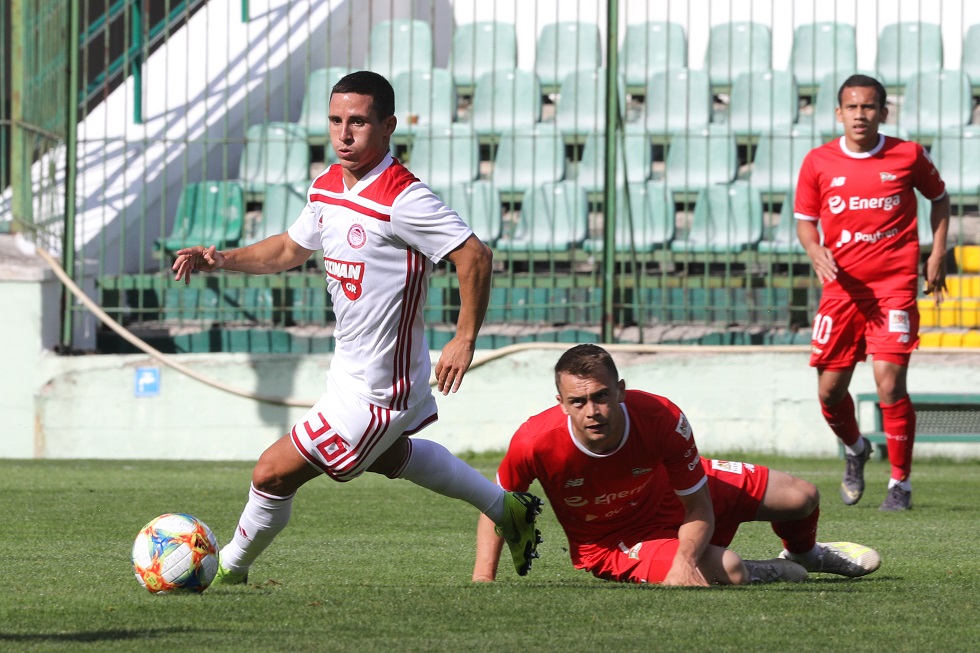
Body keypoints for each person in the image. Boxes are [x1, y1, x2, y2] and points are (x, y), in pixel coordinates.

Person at [172, 70, 543, 584]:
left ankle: (226, 571)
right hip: (346, 373)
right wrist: (222, 260)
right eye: (336, 120)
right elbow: (287, 248)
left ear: (388, 126)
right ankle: (508, 510)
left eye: (359, 123)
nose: (344, 134)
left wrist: (463, 338)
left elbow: (475, 256)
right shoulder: (326, 186)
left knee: (271, 472)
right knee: (392, 457)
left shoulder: (403, 198)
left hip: (380, 388)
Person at [473, 344, 881, 586]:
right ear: (561, 402)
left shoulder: (661, 417)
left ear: (621, 391)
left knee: (802, 497)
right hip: (612, 541)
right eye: (577, 402)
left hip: (671, 495)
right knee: (732, 569)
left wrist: (684, 561)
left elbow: (698, 504)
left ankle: (806, 554)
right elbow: (498, 505)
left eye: (600, 396)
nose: (591, 411)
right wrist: (483, 580)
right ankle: (766, 570)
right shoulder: (534, 441)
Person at [795, 74, 950, 511]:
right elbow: (805, 219)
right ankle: (857, 447)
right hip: (841, 290)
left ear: (883, 112)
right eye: (852, 107)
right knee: (829, 392)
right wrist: (813, 247)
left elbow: (940, 198)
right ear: (839, 113)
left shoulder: (908, 155)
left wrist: (937, 253)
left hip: (893, 289)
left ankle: (899, 484)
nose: (860, 115)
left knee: (889, 383)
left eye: (869, 107)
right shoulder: (818, 162)